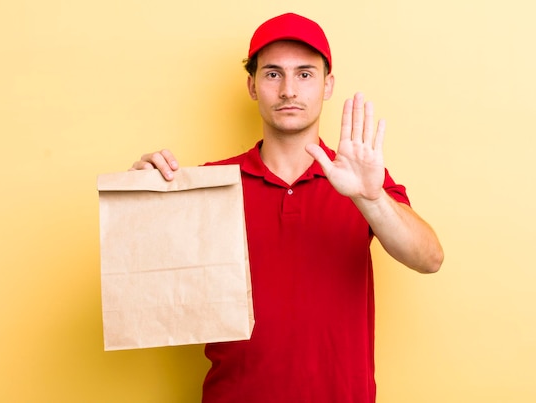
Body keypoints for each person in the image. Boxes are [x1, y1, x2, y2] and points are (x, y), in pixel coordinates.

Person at [130, 12, 443, 403]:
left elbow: (429, 258)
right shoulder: (210, 184)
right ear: (252, 85)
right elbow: (150, 285)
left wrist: (370, 197)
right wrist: (139, 204)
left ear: (328, 86)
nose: (289, 90)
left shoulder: (363, 181)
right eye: (273, 74)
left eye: (305, 74)